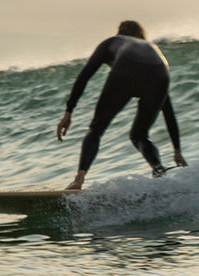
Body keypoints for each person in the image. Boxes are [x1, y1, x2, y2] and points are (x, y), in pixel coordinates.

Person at [56, 20, 186, 191]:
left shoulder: (110, 42)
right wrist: (177, 149)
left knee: (96, 129)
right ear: (140, 34)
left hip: (126, 67)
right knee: (139, 136)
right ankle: (159, 171)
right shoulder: (149, 48)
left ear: (120, 32)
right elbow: (167, 109)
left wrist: (68, 112)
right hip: (161, 71)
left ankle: (78, 180)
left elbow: (84, 76)